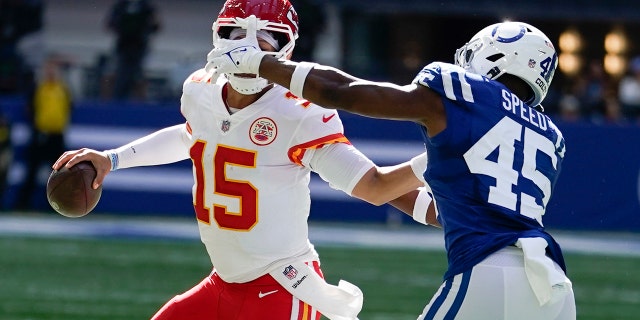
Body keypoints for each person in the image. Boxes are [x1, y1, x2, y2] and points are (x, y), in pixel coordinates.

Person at [53, 1, 430, 319]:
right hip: (223, 282)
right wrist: (111, 159)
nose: (247, 51)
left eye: (263, 41)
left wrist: (442, 156)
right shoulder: (201, 90)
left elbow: (376, 187)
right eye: (237, 37)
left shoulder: (298, 113)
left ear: (284, 49)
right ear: (219, 38)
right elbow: (191, 137)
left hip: (283, 286)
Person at [208, 19, 576, 319]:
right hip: (553, 288)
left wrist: (260, 63)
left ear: (494, 56)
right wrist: (370, 184)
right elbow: (444, 213)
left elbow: (343, 90)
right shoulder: (549, 137)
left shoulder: (466, 92)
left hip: (489, 272)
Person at [16, 55, 73, 210]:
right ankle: (22, 204)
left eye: (53, 70)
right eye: (48, 69)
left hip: (57, 135)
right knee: (32, 171)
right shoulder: (38, 87)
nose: (51, 73)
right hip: (41, 134)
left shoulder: (63, 89)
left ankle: (59, 205)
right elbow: (29, 108)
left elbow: (68, 107)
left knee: (59, 173)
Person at [105, 0, 160, 100]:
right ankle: (118, 98)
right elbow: (110, 23)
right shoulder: (121, 5)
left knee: (137, 75)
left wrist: (144, 29)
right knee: (121, 73)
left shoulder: (146, 6)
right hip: (123, 46)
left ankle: (138, 101)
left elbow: (156, 25)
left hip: (139, 46)